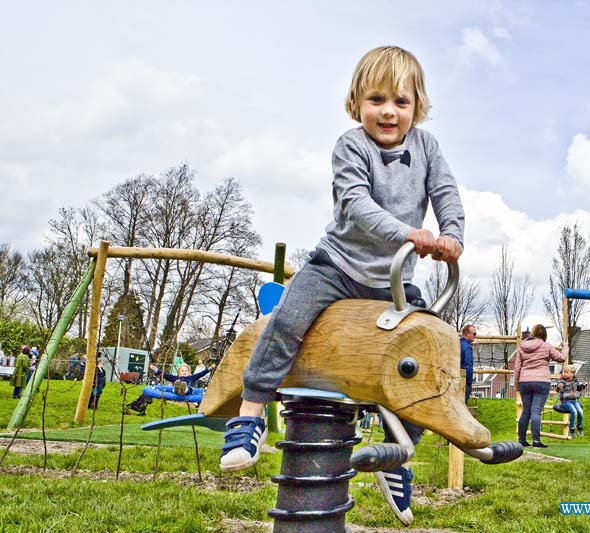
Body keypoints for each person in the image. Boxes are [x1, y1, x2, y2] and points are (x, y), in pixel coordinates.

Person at [219, 46, 464, 527]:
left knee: (429, 348)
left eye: (401, 101)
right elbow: (354, 204)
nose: (388, 111)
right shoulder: (351, 146)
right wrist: (409, 233)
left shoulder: (428, 148)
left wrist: (452, 232)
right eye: (376, 99)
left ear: (417, 106)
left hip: (391, 281)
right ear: (357, 102)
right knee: (287, 319)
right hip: (337, 265)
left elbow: (446, 193)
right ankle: (249, 417)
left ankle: (398, 454)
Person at [514, 325, 568, 448]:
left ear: (532, 334)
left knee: (526, 411)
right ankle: (536, 441)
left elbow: (517, 368)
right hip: (541, 381)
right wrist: (566, 347)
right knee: (536, 412)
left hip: (525, 381)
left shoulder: (522, 347)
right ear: (544, 335)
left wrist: (517, 385)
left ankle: (521, 440)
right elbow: (561, 358)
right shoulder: (546, 346)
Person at [556, 364, 587, 438]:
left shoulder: (575, 380)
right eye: (564, 372)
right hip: (565, 401)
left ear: (572, 374)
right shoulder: (562, 381)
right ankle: (571, 428)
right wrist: (559, 386)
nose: (565, 374)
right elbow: (558, 389)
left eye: (567, 372)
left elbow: (579, 389)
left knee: (580, 412)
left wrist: (583, 385)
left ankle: (579, 427)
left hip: (574, 401)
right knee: (574, 412)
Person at [149, 362, 216, 396]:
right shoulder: (176, 378)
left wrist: (210, 368)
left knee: (188, 388)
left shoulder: (192, 377)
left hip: (187, 391)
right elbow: (165, 375)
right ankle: (178, 388)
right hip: (177, 390)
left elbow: (201, 373)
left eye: (186, 371)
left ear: (189, 372)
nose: (184, 372)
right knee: (176, 383)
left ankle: (183, 389)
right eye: (182, 371)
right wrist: (155, 369)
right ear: (178, 373)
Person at [460, 325, 476, 403]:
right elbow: (468, 365)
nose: (475, 336)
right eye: (474, 333)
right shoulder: (467, 347)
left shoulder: (458, 343)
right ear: (467, 333)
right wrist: (469, 381)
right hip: (464, 380)